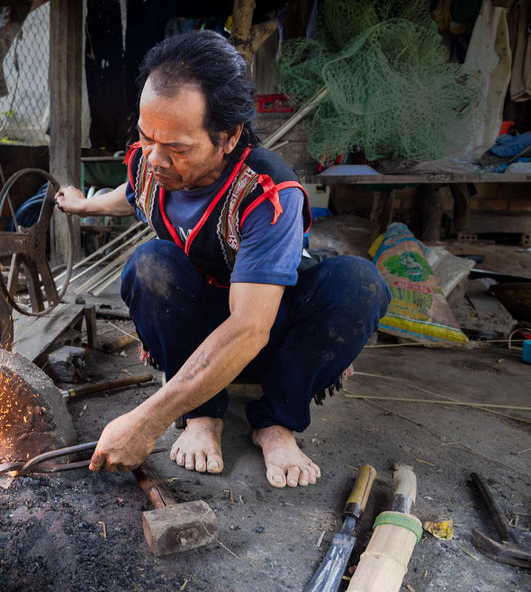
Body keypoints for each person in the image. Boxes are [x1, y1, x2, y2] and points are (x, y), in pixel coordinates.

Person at [55, 31, 390, 488]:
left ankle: (276, 422)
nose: (154, 158)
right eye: (145, 136)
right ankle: (201, 417)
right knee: (150, 263)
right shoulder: (149, 163)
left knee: (360, 283)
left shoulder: (266, 193)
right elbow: (130, 195)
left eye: (176, 147)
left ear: (228, 136)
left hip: (269, 331)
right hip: (197, 331)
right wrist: (82, 204)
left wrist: (146, 420)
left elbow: (251, 327)